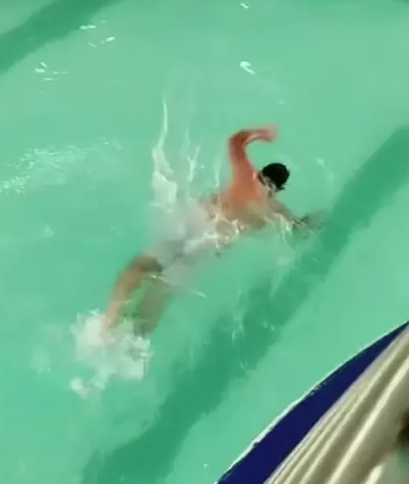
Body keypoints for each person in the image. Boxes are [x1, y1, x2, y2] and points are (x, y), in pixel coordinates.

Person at [104, 125, 317, 332]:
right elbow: (296, 228)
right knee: (161, 292)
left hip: (197, 222)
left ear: (261, 172)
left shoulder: (248, 177)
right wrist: (312, 223)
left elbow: (235, 141)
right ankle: (133, 339)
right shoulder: (275, 210)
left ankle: (109, 321)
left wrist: (261, 133)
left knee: (141, 267)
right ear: (279, 189)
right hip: (210, 244)